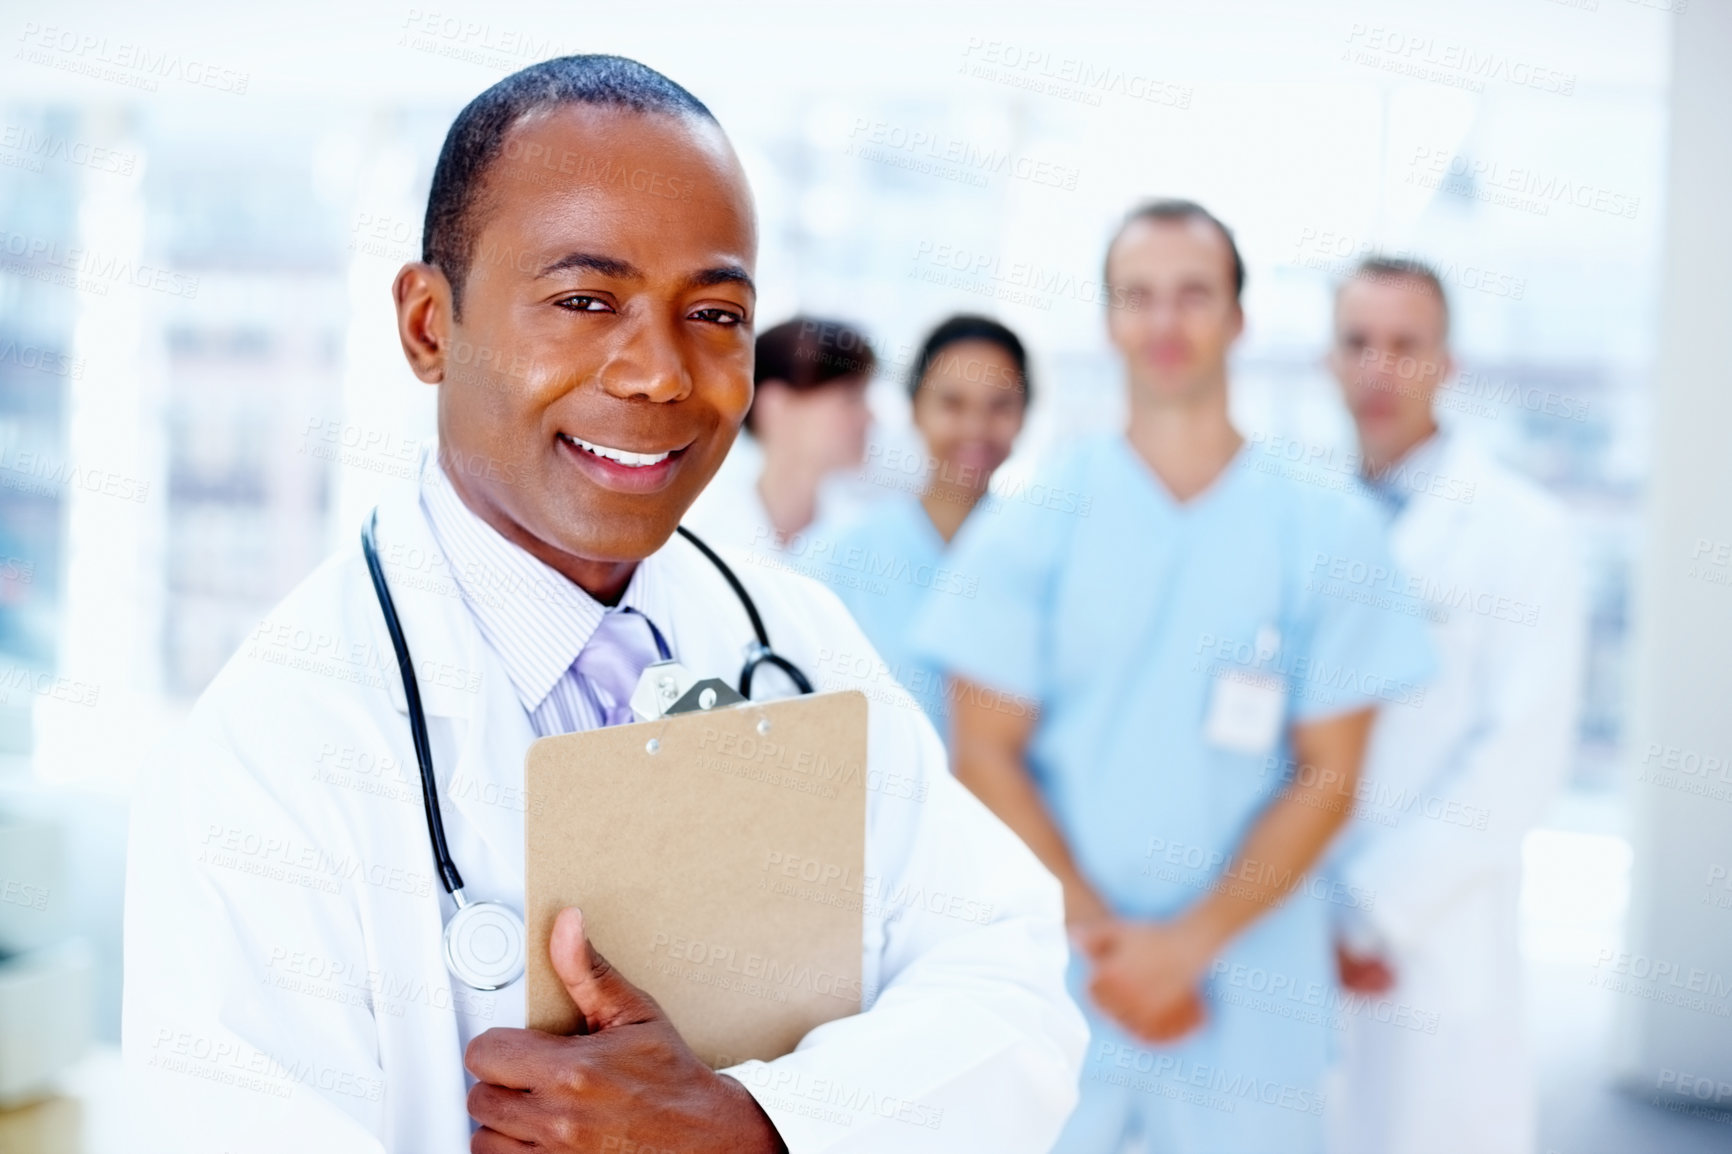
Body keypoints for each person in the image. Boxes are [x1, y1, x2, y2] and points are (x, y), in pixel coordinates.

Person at [122, 56, 1086, 1154]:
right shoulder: (273, 749)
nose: (659, 374)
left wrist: (752, 1124)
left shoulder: (796, 641)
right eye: (585, 301)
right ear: (430, 326)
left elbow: (1009, 983)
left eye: (714, 312)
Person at [915, 200, 1435, 1154]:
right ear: (1108, 319)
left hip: (1251, 997)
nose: (1164, 322)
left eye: (1193, 295)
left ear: (1239, 317)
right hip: (1069, 989)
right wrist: (1109, 947)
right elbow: (983, 751)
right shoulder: (1035, 522)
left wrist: (1182, 952)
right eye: (1137, 297)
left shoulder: (1327, 528)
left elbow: (1331, 775)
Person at [1323, 257, 1586, 1154]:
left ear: (1448, 364)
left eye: (1407, 345)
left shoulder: (1524, 533)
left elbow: (1521, 761)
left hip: (1430, 932)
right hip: (1297, 923)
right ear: (1329, 360)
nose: (1380, 368)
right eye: (1359, 343)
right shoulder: (1305, 518)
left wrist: (1370, 911)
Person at [813, 315, 1031, 734]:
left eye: (1000, 405)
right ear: (915, 409)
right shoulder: (839, 558)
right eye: (952, 403)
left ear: (1023, 415)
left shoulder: (1039, 555)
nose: (976, 427)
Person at [682, 316, 875, 552]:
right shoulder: (704, 536)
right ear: (776, 406)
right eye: (851, 399)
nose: (870, 417)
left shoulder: (868, 528)